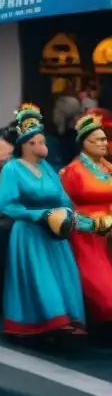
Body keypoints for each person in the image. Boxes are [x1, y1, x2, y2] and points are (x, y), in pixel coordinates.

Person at [0, 104, 85, 336]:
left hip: (54, 232)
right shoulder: (12, 168)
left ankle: (69, 317)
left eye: (41, 140)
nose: (39, 145)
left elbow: (63, 196)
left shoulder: (47, 168)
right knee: (40, 277)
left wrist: (66, 213)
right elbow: (5, 204)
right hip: (30, 231)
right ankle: (47, 320)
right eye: (33, 141)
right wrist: (39, 215)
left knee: (62, 274)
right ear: (23, 145)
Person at [59, 112, 112, 327]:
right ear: (84, 143)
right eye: (97, 140)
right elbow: (64, 208)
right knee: (103, 292)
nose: (103, 143)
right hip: (86, 235)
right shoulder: (73, 172)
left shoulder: (108, 168)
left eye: (104, 139)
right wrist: (92, 224)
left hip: (109, 234)